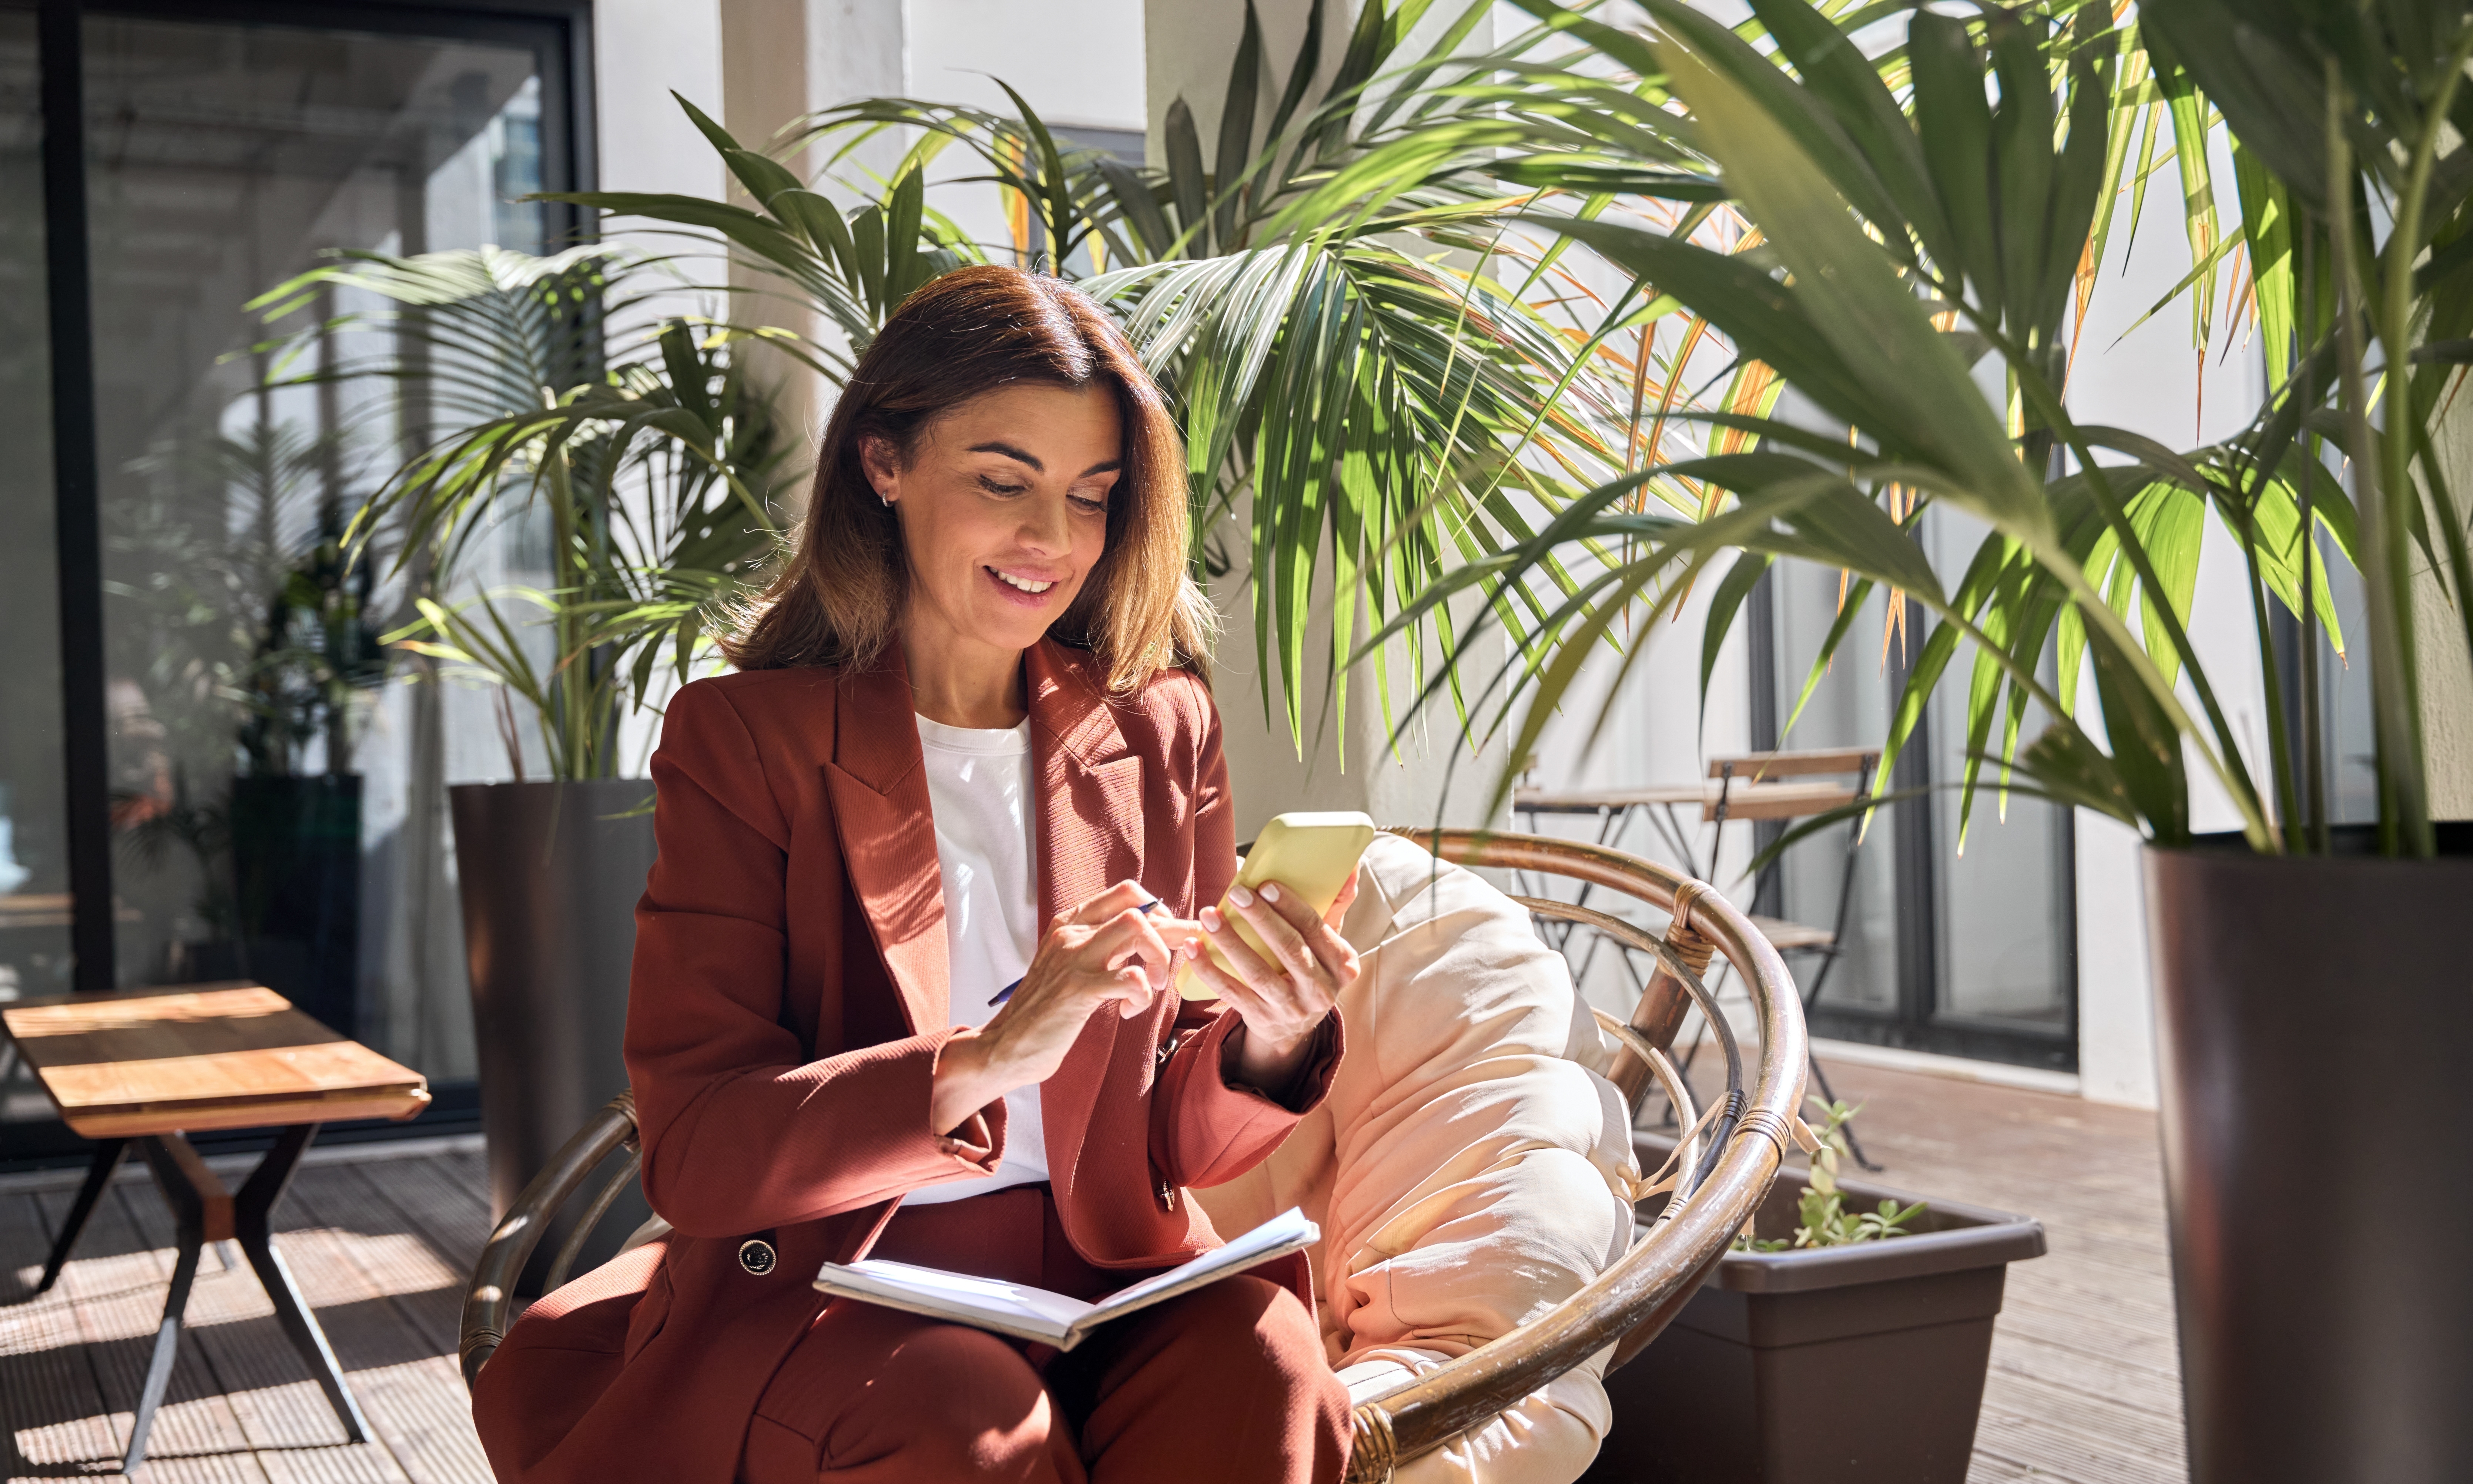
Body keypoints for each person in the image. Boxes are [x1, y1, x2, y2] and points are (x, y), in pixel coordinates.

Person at [469, 264, 1360, 1484]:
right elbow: (697, 1149)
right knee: (966, 1415)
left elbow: (1177, 1138)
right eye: (1003, 482)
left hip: (1110, 1273)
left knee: (1264, 1361)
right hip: (842, 1283)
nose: (1052, 541)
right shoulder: (744, 741)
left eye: (1091, 497)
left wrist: (1267, 1040)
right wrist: (980, 1060)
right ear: (883, 465)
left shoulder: (1162, 729)